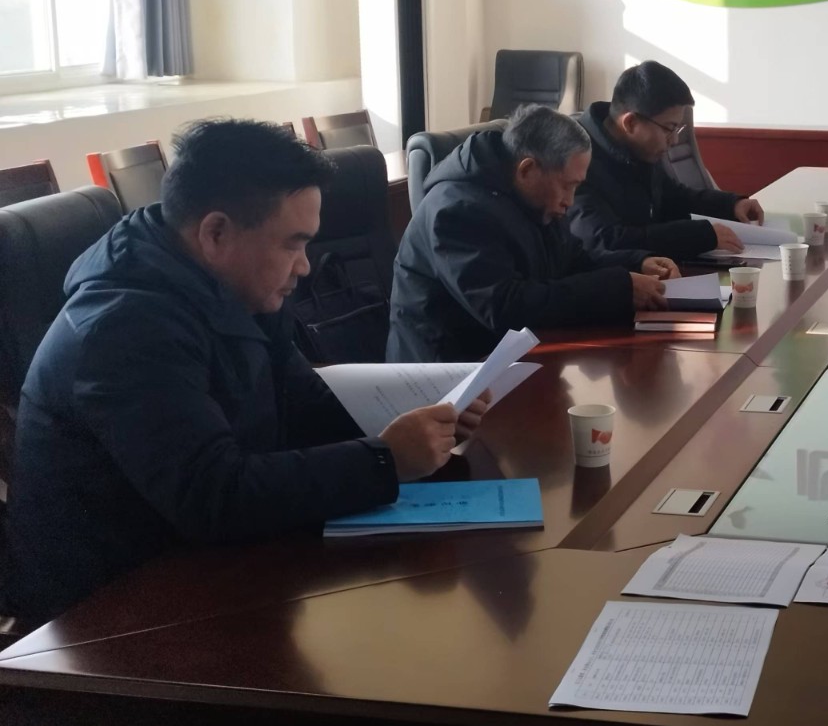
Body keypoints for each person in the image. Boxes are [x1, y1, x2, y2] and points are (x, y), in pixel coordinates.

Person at [4, 119, 475, 631]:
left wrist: (421, 419)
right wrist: (385, 460)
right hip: (111, 615)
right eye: (292, 244)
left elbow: (300, 402)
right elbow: (213, 497)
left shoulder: (235, 285)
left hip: (208, 565)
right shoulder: (122, 330)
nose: (305, 267)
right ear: (216, 233)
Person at [389, 104, 679, 362]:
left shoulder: (532, 197)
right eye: (567, 185)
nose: (570, 201)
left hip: (509, 357)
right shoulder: (457, 210)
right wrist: (619, 288)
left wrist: (637, 263)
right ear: (527, 169)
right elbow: (506, 308)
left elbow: (573, 260)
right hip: (445, 376)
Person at [571, 60, 764, 260]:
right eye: (669, 129)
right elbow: (605, 240)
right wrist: (700, 235)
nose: (675, 140)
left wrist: (730, 205)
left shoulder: (638, 150)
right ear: (630, 123)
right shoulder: (575, 158)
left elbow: (673, 197)